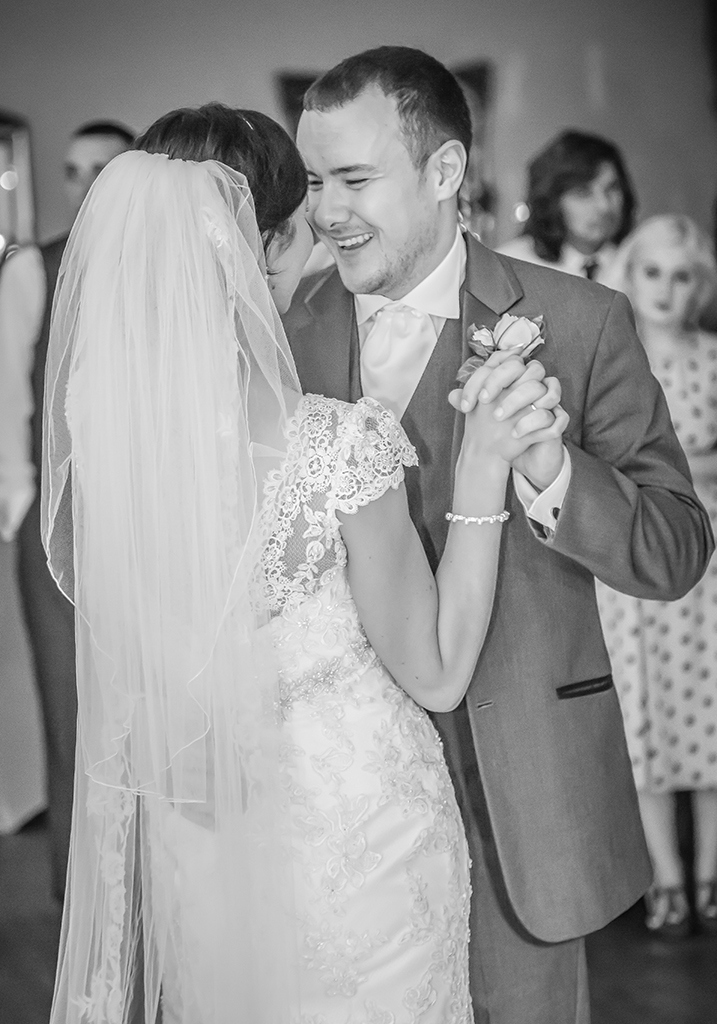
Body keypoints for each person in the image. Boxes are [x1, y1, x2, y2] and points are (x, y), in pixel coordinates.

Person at [43, 102, 567, 1024]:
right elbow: (440, 672)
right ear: (274, 244)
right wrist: (481, 466)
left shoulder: (101, 444)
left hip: (200, 840)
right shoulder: (333, 446)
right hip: (363, 840)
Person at [282, 46, 713, 1024]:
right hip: (335, 803)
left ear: (444, 174)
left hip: (515, 784)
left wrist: (548, 468)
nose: (327, 210)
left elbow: (677, 546)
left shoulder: (580, 319)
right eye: (314, 181)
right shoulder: (282, 328)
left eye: (353, 178)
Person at [0, 118, 134, 899]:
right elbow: (9, 398)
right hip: (61, 517)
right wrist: (24, 507)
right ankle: (78, 898)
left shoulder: (163, 269)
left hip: (145, 519)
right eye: (74, 170)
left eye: (102, 169)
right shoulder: (33, 270)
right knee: (70, 705)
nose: (85, 185)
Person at [597, 215, 717, 939]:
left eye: (681, 275)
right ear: (628, 274)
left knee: (707, 713)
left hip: (707, 559)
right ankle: (663, 878)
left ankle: (707, 872)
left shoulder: (710, 359)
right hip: (637, 556)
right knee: (643, 715)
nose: (666, 289)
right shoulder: (616, 360)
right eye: (652, 272)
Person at [497, 129, 636, 282]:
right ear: (551, 200)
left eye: (612, 188)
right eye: (583, 193)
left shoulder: (642, 268)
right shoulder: (511, 266)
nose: (604, 206)